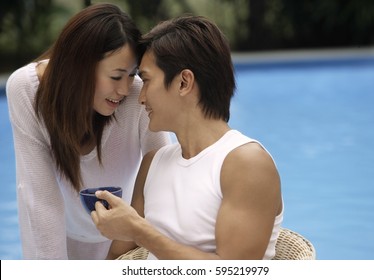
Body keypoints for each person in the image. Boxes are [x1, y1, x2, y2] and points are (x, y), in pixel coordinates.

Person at [91, 15, 283, 260]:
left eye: (146, 80)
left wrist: (140, 231)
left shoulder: (246, 163)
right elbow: (116, 260)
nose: (140, 97)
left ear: (183, 82)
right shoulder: (153, 163)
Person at [5, 3, 171, 259]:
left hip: (126, 242)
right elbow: (40, 200)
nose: (125, 89)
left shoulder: (138, 95)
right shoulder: (27, 89)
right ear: (79, 67)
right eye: (116, 76)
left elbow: (165, 176)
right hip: (61, 240)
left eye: (131, 74)